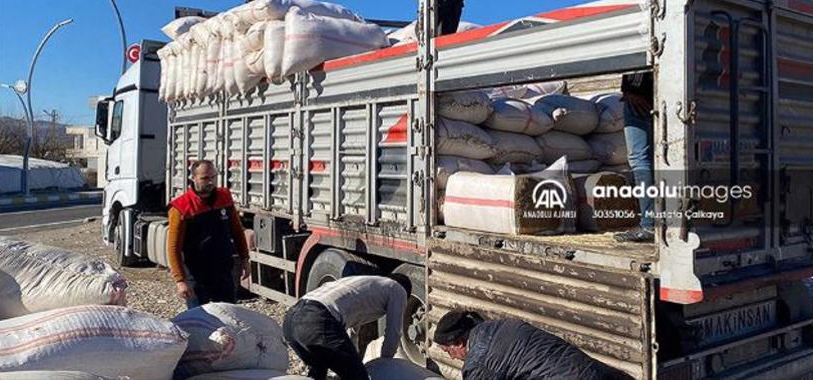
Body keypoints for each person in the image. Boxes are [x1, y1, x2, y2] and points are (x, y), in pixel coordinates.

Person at [282, 274, 412, 380]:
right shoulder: (397, 289)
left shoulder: (367, 286)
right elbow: (393, 332)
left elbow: (353, 333)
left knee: (319, 372)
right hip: (317, 320)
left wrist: (352, 359)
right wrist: (384, 364)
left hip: (291, 322)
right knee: (358, 377)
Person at [433, 310, 625, 379]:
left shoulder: (477, 365)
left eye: (448, 352)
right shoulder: (498, 326)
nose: (451, 358)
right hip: (598, 371)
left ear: (458, 343)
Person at [167, 160, 250, 307]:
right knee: (199, 321)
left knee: (228, 316)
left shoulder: (224, 197)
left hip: (223, 273)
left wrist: (244, 259)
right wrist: (180, 281)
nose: (210, 182)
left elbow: (237, 231)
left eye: (213, 177)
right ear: (193, 178)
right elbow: (174, 248)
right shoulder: (181, 207)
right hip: (196, 276)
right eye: (205, 178)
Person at [613, 0, 655, 243]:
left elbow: (642, 55)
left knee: (640, 161)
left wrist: (633, 91)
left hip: (640, 99)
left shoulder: (641, 13)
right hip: (653, 96)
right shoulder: (656, 8)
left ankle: (649, 223)